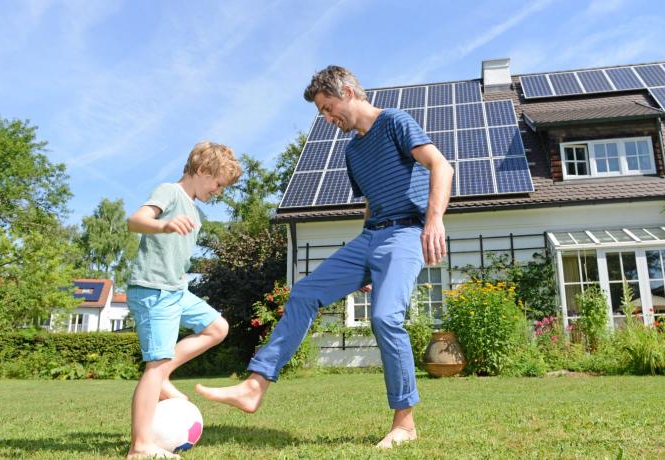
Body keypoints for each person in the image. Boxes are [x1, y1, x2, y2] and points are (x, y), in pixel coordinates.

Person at [196, 65, 453, 449]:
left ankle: (405, 423)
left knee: (385, 317)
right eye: (322, 112)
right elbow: (370, 204)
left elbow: (441, 166)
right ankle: (255, 385)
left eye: (327, 108)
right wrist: (364, 262)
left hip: (406, 233)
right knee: (304, 293)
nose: (326, 118)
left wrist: (433, 221)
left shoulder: (396, 122)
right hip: (371, 237)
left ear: (348, 91)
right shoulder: (352, 151)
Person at [125, 141, 242, 459]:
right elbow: (135, 220)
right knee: (156, 364)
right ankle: (140, 446)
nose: (219, 191)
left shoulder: (195, 210)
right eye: (218, 184)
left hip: (176, 290)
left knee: (217, 327)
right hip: (153, 289)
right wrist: (163, 224)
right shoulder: (169, 191)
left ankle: (161, 375)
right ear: (202, 170)